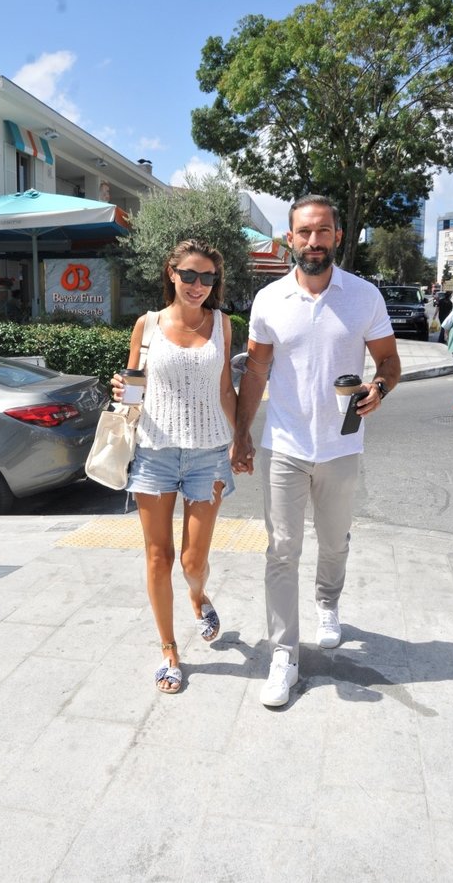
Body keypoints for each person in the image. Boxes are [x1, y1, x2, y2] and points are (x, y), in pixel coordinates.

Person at [231, 194, 401, 708]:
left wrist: (380, 389)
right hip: (284, 445)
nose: (313, 241)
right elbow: (256, 370)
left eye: (322, 231)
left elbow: (389, 361)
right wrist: (242, 433)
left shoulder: (364, 296)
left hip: (342, 445)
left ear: (337, 236)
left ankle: (328, 603)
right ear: (289, 238)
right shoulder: (269, 300)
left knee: (333, 541)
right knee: (281, 550)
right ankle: (284, 654)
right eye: (304, 232)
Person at [111, 240, 236, 694]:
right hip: (154, 454)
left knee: (192, 561)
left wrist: (241, 439)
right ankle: (169, 651)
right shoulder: (147, 325)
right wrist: (121, 387)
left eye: (207, 278)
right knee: (158, 557)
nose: (198, 285)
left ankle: (198, 596)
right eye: (189, 275)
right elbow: (133, 389)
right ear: (171, 273)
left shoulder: (223, 325)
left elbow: (225, 389)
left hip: (209, 455)